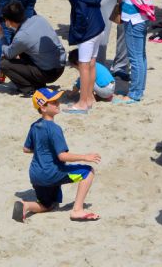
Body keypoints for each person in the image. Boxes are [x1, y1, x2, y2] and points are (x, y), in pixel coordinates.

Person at [12, 88, 101, 223]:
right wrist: (85, 157)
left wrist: (44, 151)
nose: (58, 103)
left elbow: (26, 149)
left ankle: (25, 205)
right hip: (50, 173)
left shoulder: (35, 126)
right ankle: (77, 210)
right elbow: (62, 156)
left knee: (48, 205)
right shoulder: (54, 129)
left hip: (35, 174)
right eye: (53, 102)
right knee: (88, 172)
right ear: (43, 108)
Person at [54, 0, 105, 112]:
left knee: (83, 66)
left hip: (87, 33)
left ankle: (83, 102)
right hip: (98, 27)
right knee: (91, 64)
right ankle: (89, 98)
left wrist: (77, 34)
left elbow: (80, 16)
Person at [0, 1, 66, 96]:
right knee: (23, 52)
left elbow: (8, 54)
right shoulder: (39, 19)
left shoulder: (21, 36)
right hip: (60, 66)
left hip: (49, 74)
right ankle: (37, 82)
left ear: (8, 21)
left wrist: (1, 35)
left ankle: (30, 89)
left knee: (4, 64)